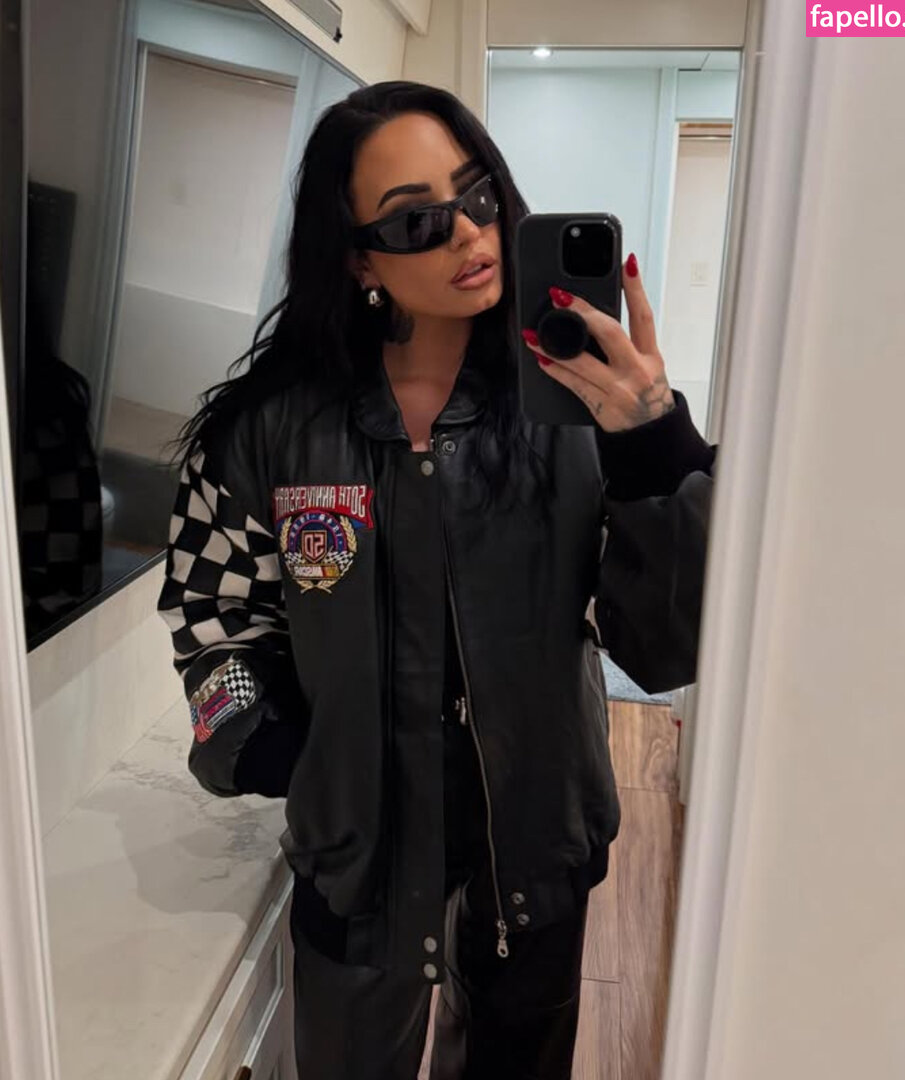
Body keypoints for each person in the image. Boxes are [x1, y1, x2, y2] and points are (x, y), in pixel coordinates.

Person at [157, 80, 716, 1080]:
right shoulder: (270, 430)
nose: (467, 232)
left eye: (477, 195)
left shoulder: (575, 411)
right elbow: (212, 615)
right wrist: (275, 749)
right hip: (356, 877)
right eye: (417, 220)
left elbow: (667, 646)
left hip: (533, 864)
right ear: (357, 258)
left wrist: (654, 444)